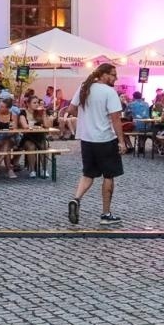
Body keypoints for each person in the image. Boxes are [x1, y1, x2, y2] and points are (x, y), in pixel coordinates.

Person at [68, 62, 128, 225]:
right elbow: (116, 118)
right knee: (109, 176)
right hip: (105, 139)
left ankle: (76, 199)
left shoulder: (84, 87)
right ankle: (105, 214)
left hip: (87, 138)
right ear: (103, 74)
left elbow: (71, 109)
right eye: (113, 75)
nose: (115, 78)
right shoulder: (109, 92)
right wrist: (121, 141)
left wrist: (86, 117)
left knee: (88, 174)